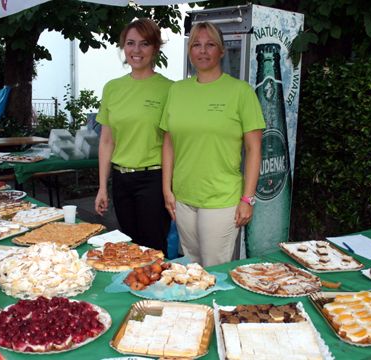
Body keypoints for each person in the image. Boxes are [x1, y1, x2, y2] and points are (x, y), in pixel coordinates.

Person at [160, 22, 265, 267]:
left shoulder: (240, 92)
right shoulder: (177, 91)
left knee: (215, 269)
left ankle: (219, 308)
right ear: (189, 51)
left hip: (222, 199)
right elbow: (169, 143)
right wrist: (167, 189)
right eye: (196, 44)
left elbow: (254, 149)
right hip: (184, 197)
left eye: (210, 45)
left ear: (221, 51)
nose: (203, 51)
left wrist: (247, 199)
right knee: (191, 268)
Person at [95, 18, 172, 254]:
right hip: (121, 180)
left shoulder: (170, 89)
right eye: (130, 43)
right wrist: (102, 187)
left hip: (153, 180)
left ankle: (156, 291)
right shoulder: (112, 88)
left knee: (152, 249)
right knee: (128, 249)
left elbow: (173, 142)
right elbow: (107, 140)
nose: (136, 50)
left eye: (144, 44)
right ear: (123, 47)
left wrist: (169, 188)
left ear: (155, 48)